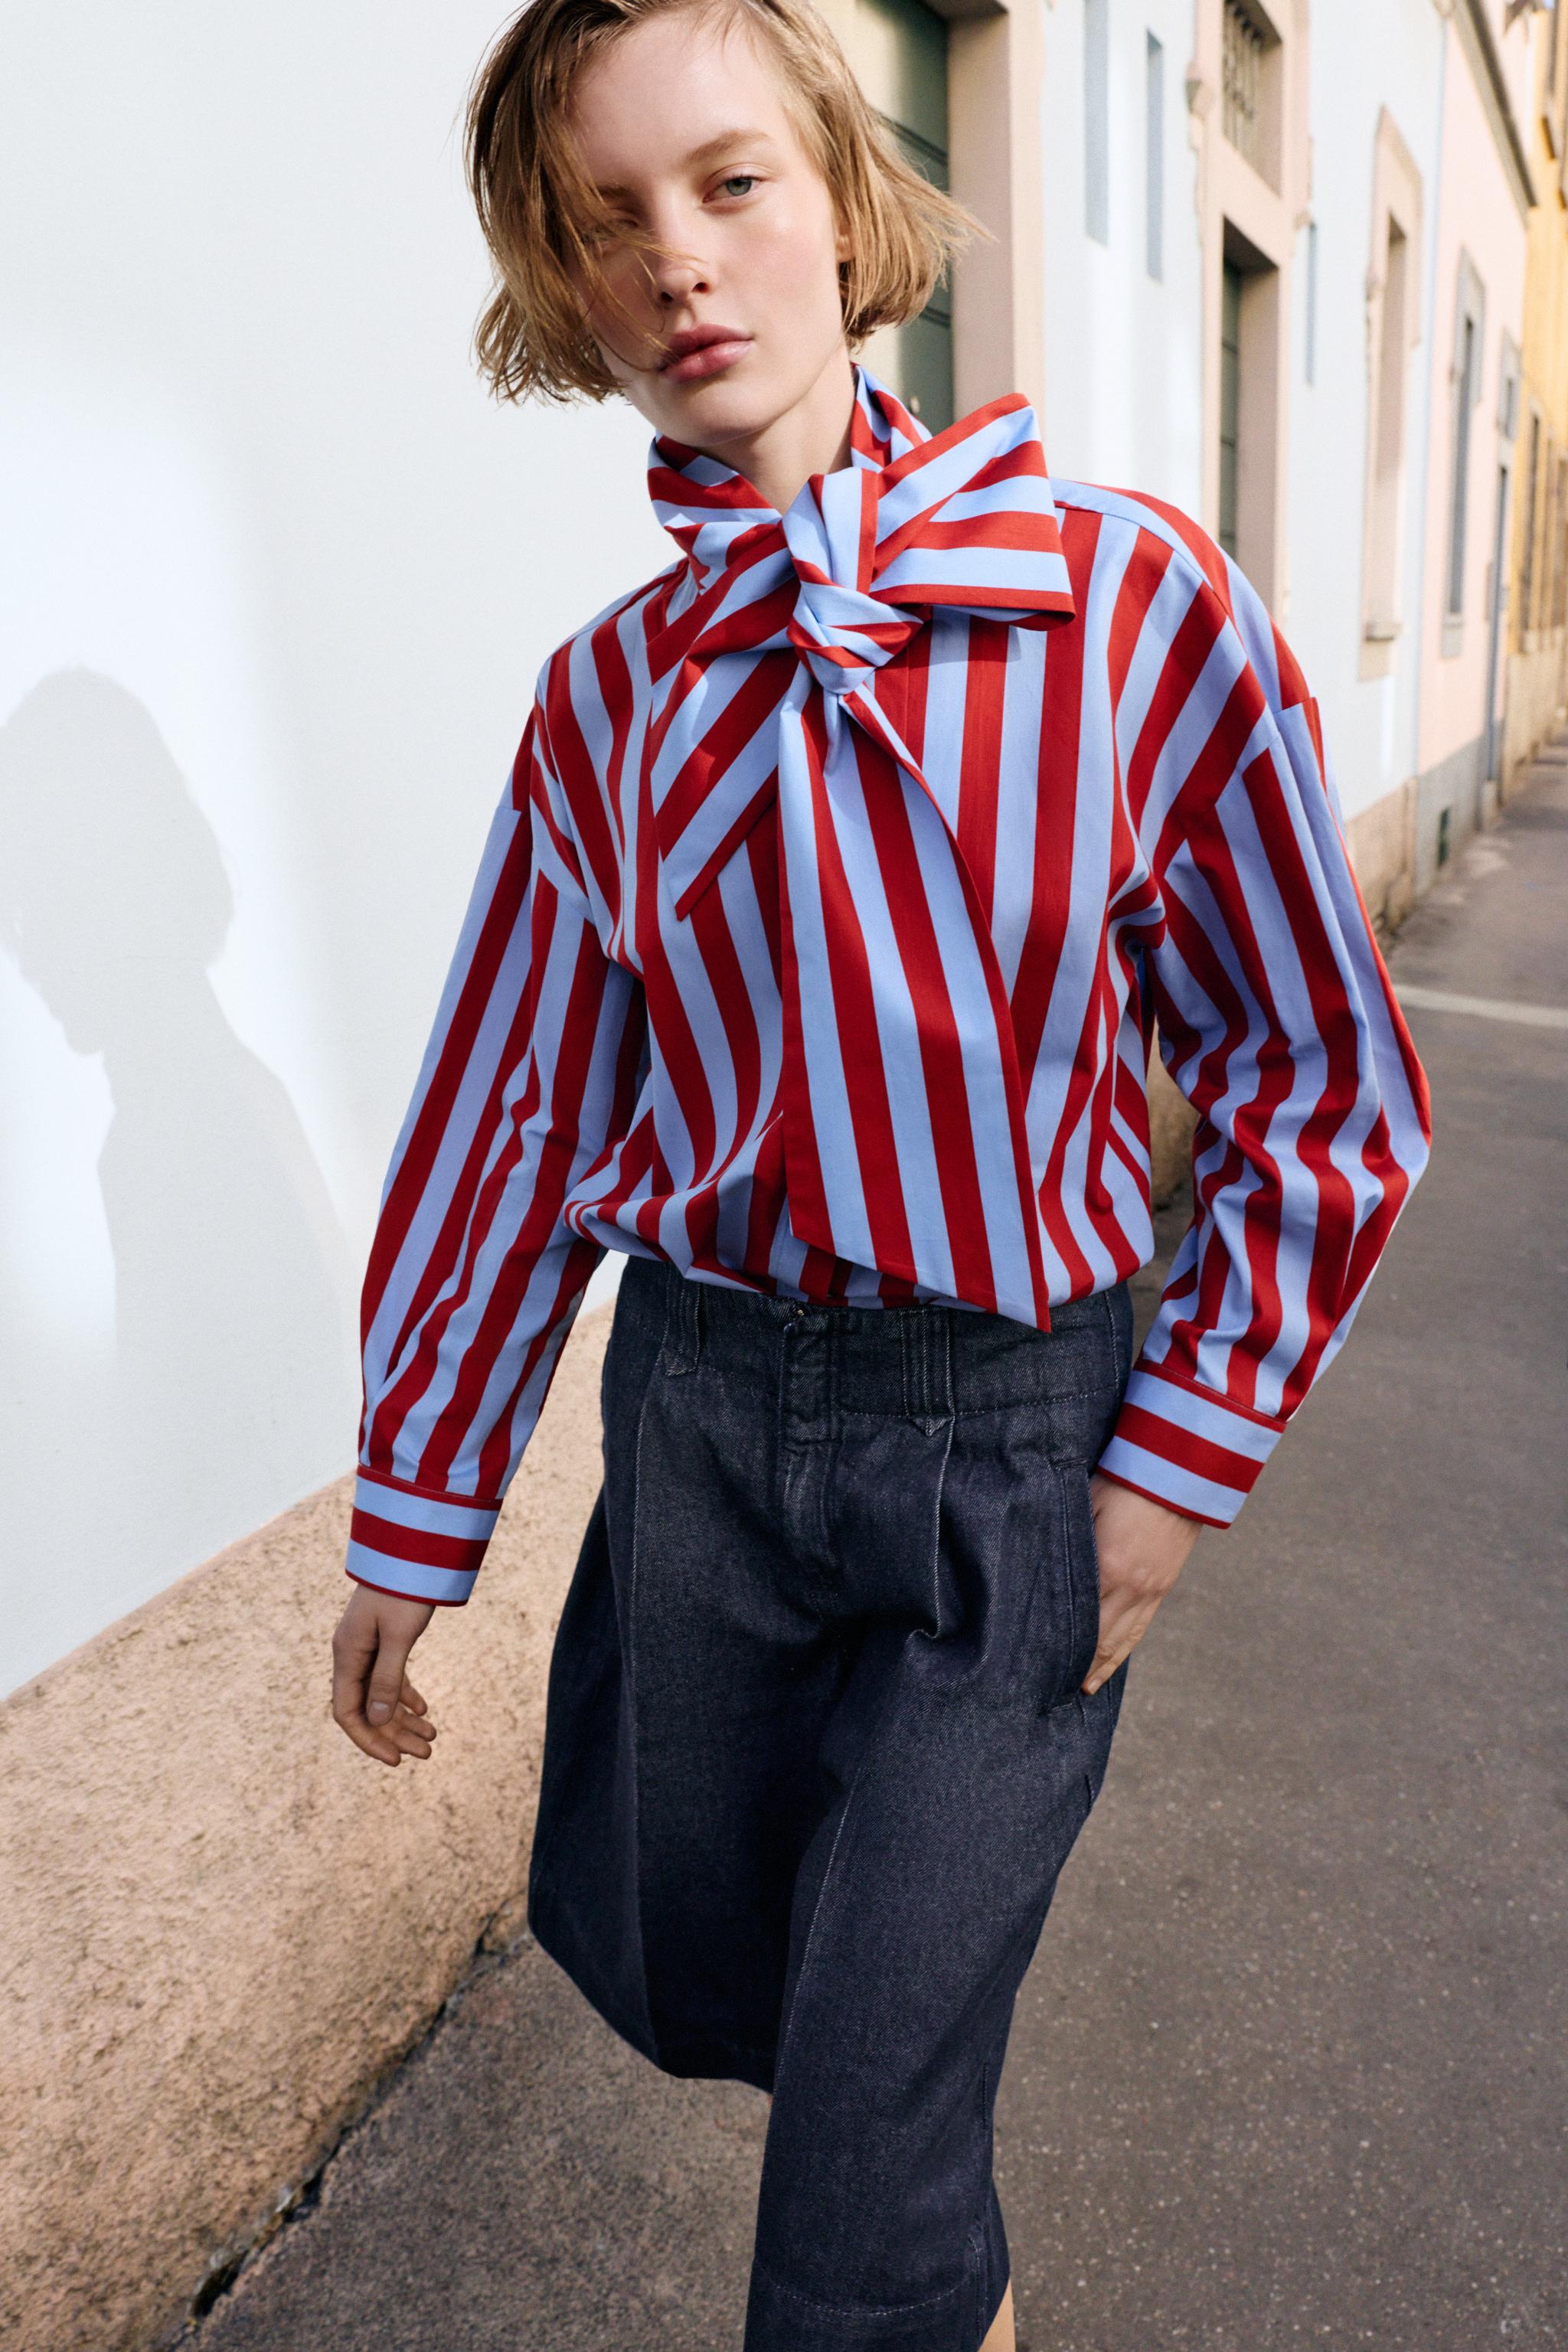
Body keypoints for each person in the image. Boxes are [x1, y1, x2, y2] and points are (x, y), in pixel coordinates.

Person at [328, 0, 1432, 2344]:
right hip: (707, 1440)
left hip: (1013, 1471)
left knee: (852, 2193)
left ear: (846, 198)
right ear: (560, 279)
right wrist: (416, 1512)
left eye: (731, 183)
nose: (681, 265)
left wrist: (1171, 1468)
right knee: (738, 1994)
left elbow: (1318, 1079)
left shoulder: (1134, 609)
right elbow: (512, 1115)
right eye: (608, 219)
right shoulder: (607, 702)